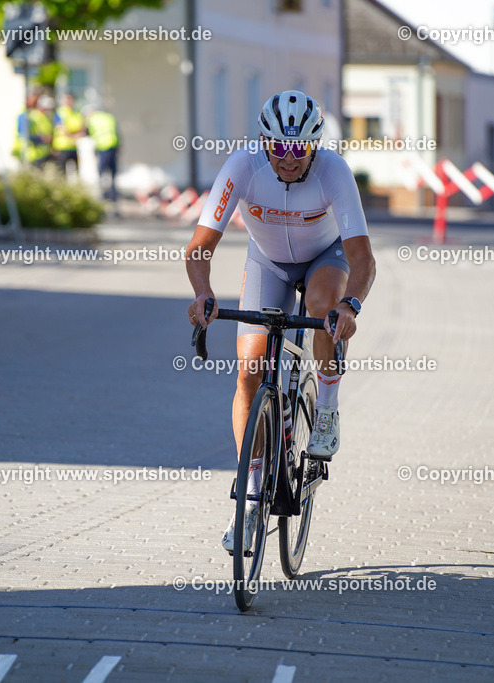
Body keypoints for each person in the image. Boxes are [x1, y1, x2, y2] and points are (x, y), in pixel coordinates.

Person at [185, 90, 376, 552]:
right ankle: (250, 500)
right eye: (278, 148)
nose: (289, 159)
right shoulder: (242, 167)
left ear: (314, 146)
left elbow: (362, 258)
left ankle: (326, 406)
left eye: (299, 149)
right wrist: (204, 293)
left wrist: (349, 307)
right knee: (249, 371)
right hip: (267, 261)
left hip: (325, 259)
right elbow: (199, 248)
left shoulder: (333, 171)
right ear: (263, 143)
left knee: (321, 303)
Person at [84, 103, 119, 204]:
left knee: (101, 173)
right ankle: (113, 197)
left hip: (103, 147)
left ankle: (104, 197)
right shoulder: (109, 117)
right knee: (112, 175)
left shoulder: (92, 119)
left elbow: (87, 132)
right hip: (113, 146)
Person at [12, 89, 52, 168]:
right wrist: (41, 139)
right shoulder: (24, 114)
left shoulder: (30, 113)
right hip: (27, 152)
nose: (36, 101)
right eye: (35, 98)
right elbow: (24, 134)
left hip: (33, 153)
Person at [52, 93, 85, 177]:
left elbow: (82, 127)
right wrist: (74, 135)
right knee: (62, 173)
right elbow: (61, 128)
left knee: (76, 172)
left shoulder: (76, 113)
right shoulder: (60, 112)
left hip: (73, 146)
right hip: (62, 146)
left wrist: (74, 133)